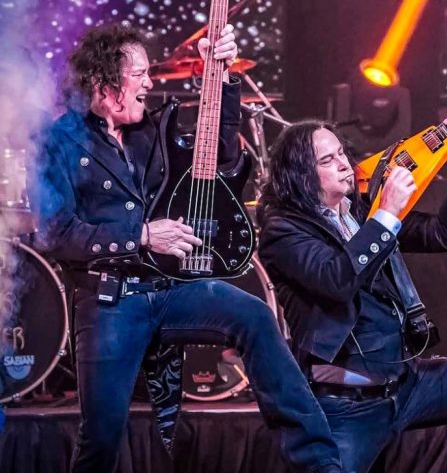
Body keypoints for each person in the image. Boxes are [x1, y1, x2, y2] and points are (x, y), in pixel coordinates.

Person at [32, 24, 343, 473]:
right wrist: (141, 234)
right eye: (139, 73)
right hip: (109, 300)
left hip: (170, 287)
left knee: (254, 314)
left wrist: (222, 76)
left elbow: (218, 153)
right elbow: (56, 233)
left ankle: (320, 462)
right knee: (101, 436)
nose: (149, 82)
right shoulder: (57, 141)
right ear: (104, 83)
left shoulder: (152, 128)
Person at [256, 110, 447, 473]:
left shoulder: (360, 211)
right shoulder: (284, 231)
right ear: (300, 175)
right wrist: (387, 213)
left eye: (341, 153)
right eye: (327, 160)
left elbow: (446, 235)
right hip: (347, 404)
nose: (343, 164)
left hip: (409, 384)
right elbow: (336, 281)